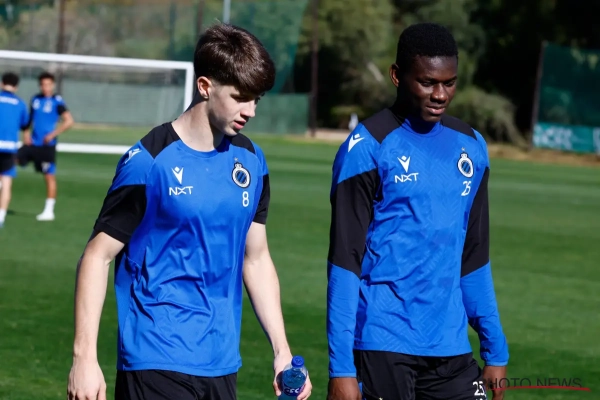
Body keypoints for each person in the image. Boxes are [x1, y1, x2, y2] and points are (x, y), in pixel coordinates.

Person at [67, 23, 312, 400]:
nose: (250, 111)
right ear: (204, 86)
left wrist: (281, 351)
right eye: (240, 97)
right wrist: (84, 358)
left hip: (221, 360)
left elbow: (256, 258)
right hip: (155, 356)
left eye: (257, 100)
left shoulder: (251, 161)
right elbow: (97, 255)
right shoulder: (149, 161)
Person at [326, 22, 509, 400]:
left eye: (449, 83)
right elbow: (344, 261)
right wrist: (341, 368)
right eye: (427, 83)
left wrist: (495, 347)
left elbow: (474, 255)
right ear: (397, 76)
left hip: (451, 346)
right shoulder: (367, 147)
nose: (440, 95)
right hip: (383, 343)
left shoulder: (472, 147)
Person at [17, 71, 74, 222]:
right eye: (43, 84)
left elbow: (69, 121)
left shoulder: (57, 101)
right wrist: (26, 134)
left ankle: (49, 211)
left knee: (49, 176)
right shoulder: (35, 99)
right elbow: (29, 120)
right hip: (32, 143)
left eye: (48, 84)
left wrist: (53, 134)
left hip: (47, 146)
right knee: (9, 161)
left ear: (53, 85)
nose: (45, 87)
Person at [0, 72, 29, 228]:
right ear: (16, 86)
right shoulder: (20, 103)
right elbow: (25, 124)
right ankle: (1, 217)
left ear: (1, 83)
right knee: (6, 183)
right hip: (9, 147)